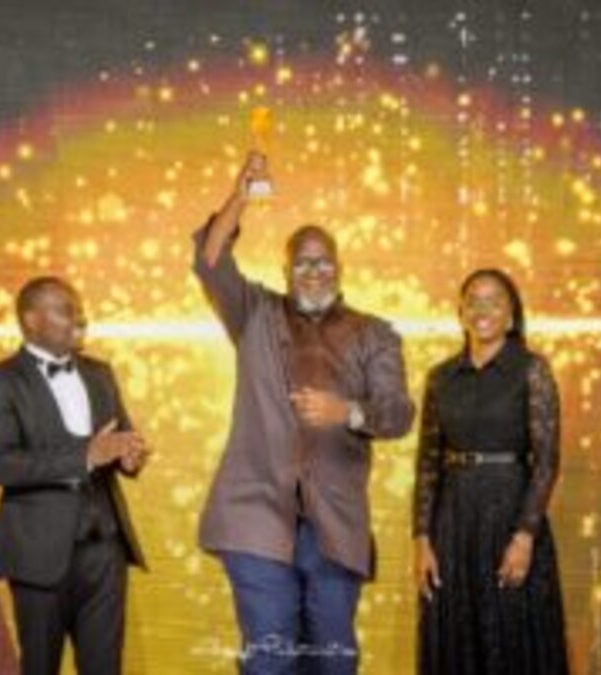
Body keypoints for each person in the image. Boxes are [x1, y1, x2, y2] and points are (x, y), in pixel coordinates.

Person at [193, 152, 416, 674]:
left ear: (339, 267)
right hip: (255, 512)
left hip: (334, 523)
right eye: (302, 262)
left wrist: (349, 411)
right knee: (271, 654)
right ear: (286, 271)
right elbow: (210, 260)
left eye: (323, 261)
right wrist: (241, 194)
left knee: (332, 659)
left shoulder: (374, 333)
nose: (313, 272)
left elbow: (398, 413)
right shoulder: (255, 313)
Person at [0, 276, 150, 675]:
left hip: (105, 552)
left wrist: (130, 457)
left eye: (79, 309)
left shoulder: (100, 373)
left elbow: (120, 439)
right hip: (38, 556)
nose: (79, 318)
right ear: (31, 320)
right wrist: (85, 455)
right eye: (66, 310)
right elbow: (2, 464)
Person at [413, 269, 570, 674]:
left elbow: (547, 461)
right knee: (456, 640)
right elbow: (428, 462)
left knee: (514, 637)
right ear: (461, 312)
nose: (482, 309)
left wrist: (525, 535)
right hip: (453, 524)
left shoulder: (531, 370)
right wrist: (422, 539)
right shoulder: (440, 378)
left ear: (511, 315)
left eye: (494, 301)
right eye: (473, 300)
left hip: (510, 517)